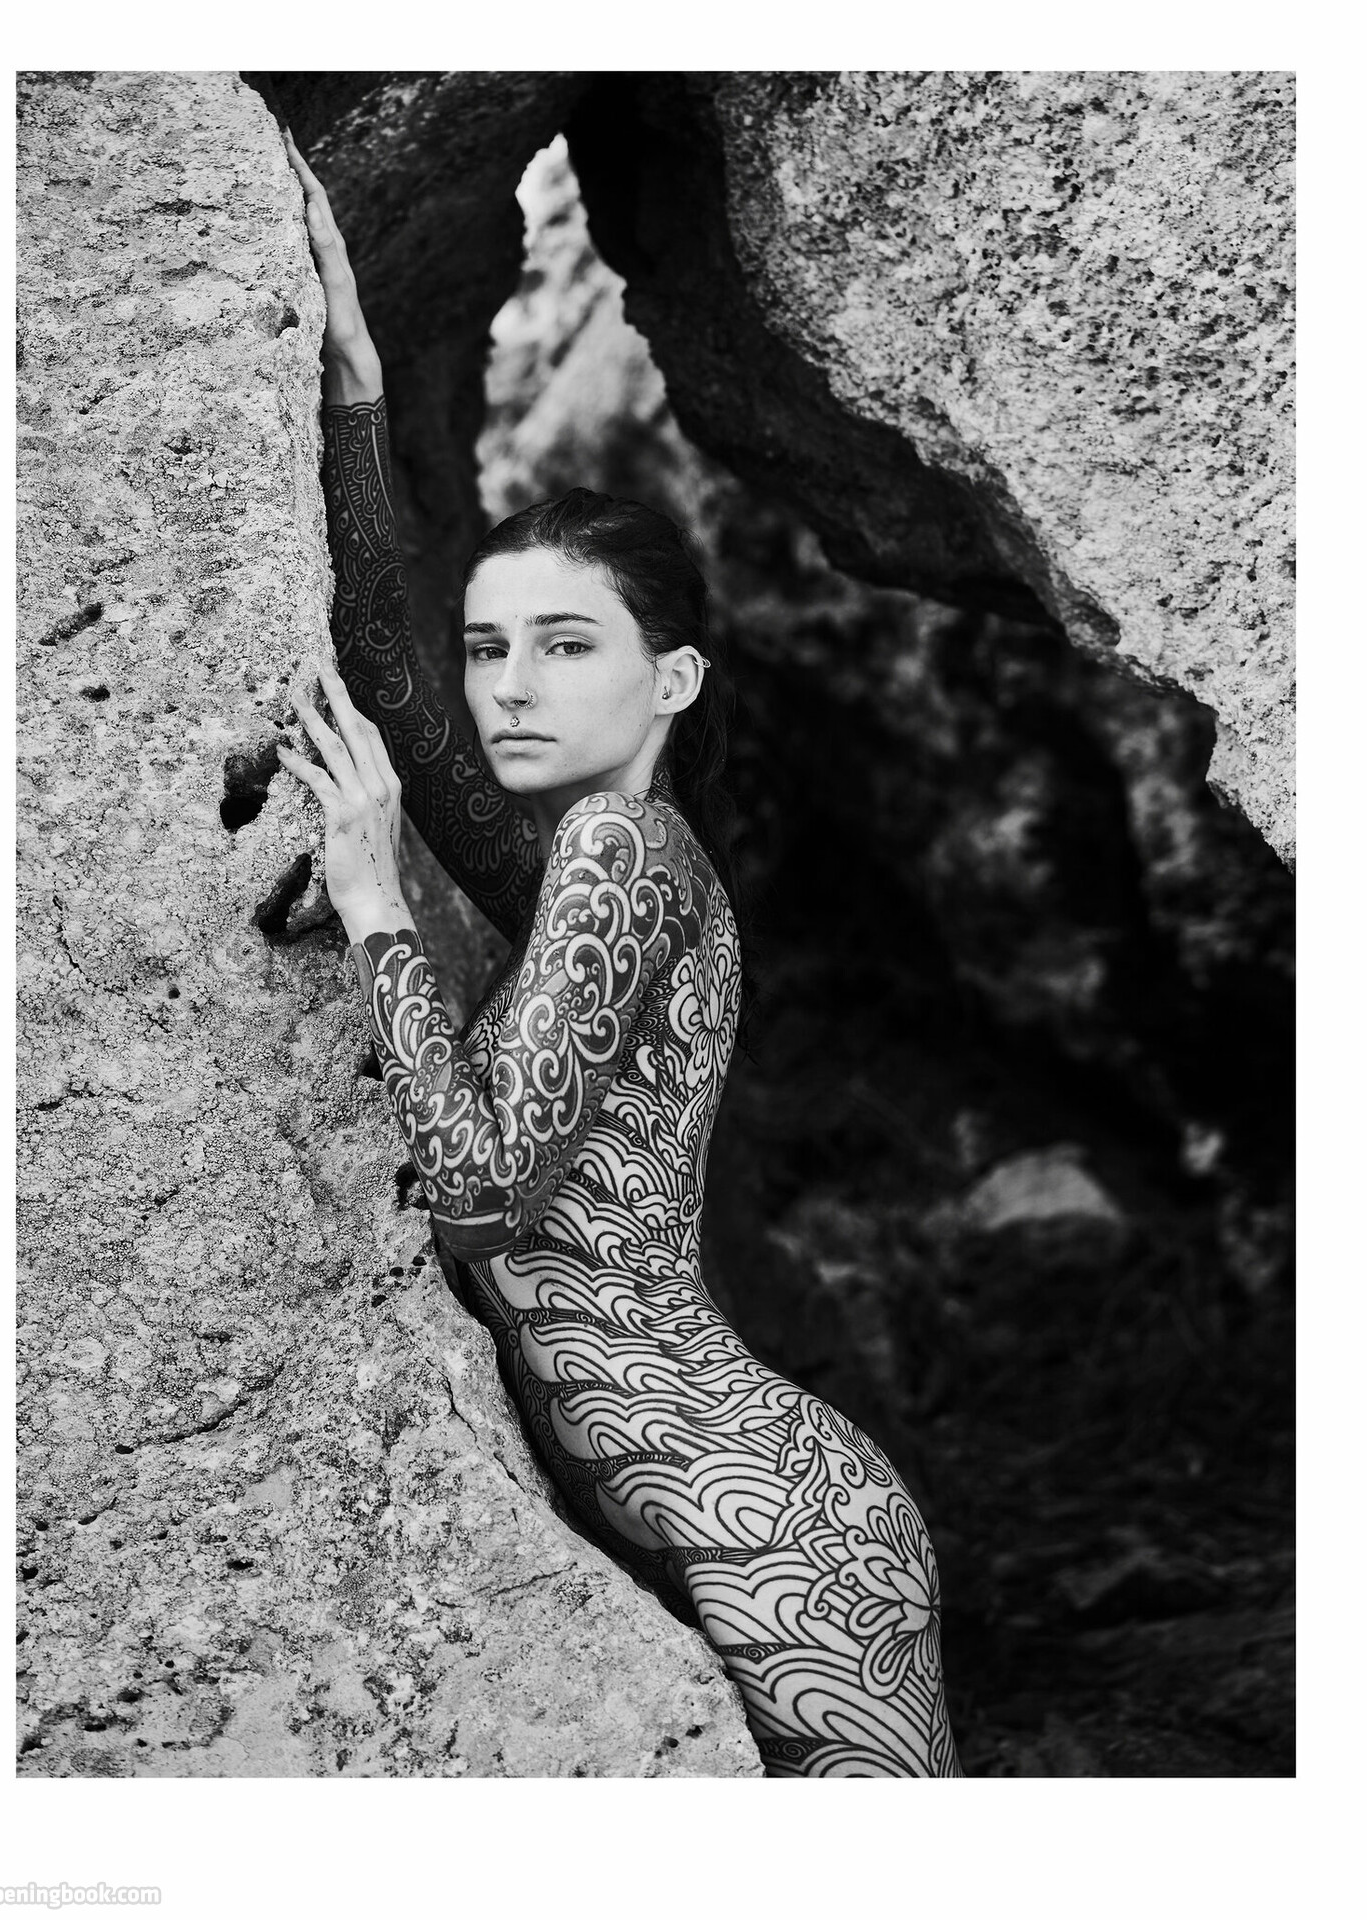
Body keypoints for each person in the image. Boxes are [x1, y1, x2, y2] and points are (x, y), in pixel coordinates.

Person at [279, 134, 962, 1779]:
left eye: (566, 644)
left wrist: (375, 903)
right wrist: (354, 389)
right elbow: (385, 666)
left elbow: (482, 1188)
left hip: (782, 1530)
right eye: (491, 645)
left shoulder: (620, 853)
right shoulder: (583, 872)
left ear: (672, 680)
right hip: (739, 1512)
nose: (508, 686)